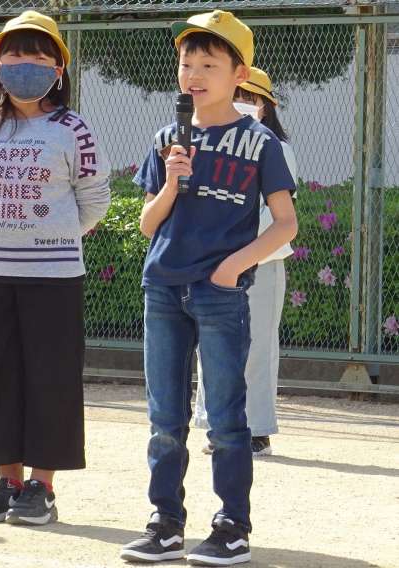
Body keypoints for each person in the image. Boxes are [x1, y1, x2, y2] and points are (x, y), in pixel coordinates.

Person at [121, 10, 297, 566]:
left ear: (239, 74)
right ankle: (165, 523)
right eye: (186, 64)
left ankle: (231, 527)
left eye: (209, 65)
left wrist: (233, 266)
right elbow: (148, 224)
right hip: (163, 289)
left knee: (225, 417)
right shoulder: (167, 138)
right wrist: (171, 182)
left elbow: (286, 224)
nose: (194, 75)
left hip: (221, 293)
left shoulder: (260, 142)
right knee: (164, 419)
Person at [0, 11, 110, 526]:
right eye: (14, 54)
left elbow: (94, 199)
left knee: (50, 379)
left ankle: (42, 487)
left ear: (58, 69)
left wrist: (54, 237)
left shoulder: (74, 128)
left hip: (54, 277)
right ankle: (8, 481)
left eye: (38, 55)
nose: (25, 63)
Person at [195, 67, 297, 458]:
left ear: (266, 106)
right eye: (236, 95)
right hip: (212, 263)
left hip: (262, 262)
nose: (241, 104)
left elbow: (278, 216)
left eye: (249, 98)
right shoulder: (207, 142)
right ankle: (219, 425)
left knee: (257, 348)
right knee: (212, 345)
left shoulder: (276, 148)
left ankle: (256, 430)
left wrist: (239, 254)